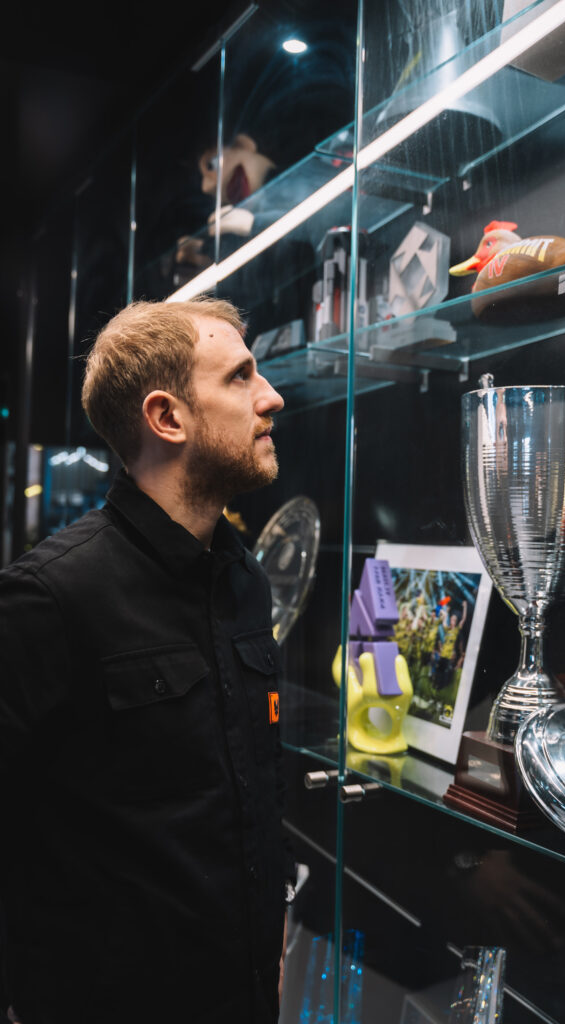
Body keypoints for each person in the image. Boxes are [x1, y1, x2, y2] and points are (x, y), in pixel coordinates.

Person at [0, 298, 294, 1024]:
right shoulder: (51, 595)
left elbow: (245, 792)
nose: (272, 397)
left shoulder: (243, 579)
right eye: (239, 377)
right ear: (168, 418)